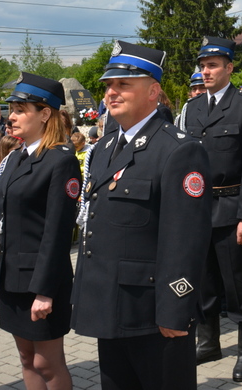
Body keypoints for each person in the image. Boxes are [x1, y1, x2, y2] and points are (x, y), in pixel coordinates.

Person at [72, 41, 211, 390]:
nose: (111, 92)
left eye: (123, 84)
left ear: (152, 92)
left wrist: (176, 308)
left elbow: (185, 240)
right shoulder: (105, 147)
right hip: (108, 304)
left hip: (153, 312)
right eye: (108, 85)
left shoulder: (178, 149)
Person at [0, 73, 80, 390]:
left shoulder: (60, 161)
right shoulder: (14, 158)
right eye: (12, 109)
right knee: (26, 359)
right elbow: (4, 224)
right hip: (11, 278)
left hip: (41, 280)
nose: (11, 116)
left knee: (47, 363)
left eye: (20, 110)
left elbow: (57, 232)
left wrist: (45, 292)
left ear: (45, 113)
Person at [184, 36, 242, 382]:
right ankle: (209, 343)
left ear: (230, 68)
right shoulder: (192, 108)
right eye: (203, 66)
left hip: (232, 210)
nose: (206, 71)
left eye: (213, 65)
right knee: (203, 283)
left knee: (239, 285)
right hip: (197, 212)